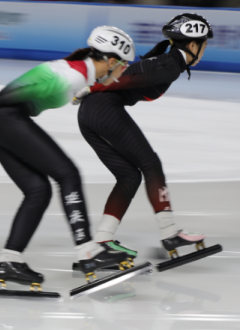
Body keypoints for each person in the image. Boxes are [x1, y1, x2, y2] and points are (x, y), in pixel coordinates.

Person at [0, 26, 136, 290]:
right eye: (124, 65)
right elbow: (27, 92)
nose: (124, 71)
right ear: (111, 61)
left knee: (38, 190)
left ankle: (9, 260)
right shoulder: (75, 75)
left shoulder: (80, 71)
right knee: (68, 174)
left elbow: (46, 86)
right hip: (5, 117)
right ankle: (87, 250)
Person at [75, 14, 214, 263]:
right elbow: (132, 78)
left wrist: (94, 89)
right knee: (151, 164)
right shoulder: (171, 65)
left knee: (129, 175)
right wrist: (95, 87)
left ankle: (103, 240)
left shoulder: (165, 59)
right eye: (204, 44)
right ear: (193, 45)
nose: (205, 50)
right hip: (103, 108)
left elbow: (130, 74)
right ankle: (170, 233)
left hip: (88, 113)